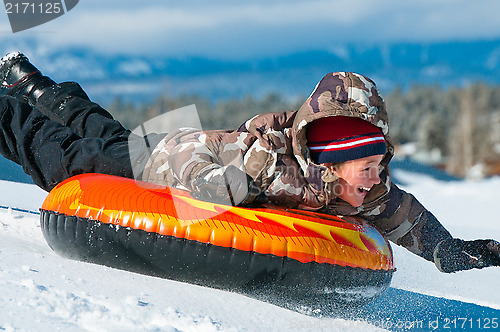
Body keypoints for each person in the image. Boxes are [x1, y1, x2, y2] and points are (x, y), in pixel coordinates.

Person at [0, 51, 499, 274]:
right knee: (65, 157)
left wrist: (446, 249)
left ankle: (32, 84)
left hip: (171, 144)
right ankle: (9, 112)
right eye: (362, 165)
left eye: (377, 160)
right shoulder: (266, 159)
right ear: (327, 159)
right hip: (168, 160)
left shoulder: (364, 187)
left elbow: (404, 215)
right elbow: (196, 160)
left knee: (103, 130)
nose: (374, 179)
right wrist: (214, 183)